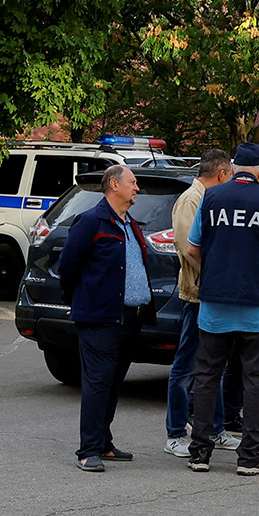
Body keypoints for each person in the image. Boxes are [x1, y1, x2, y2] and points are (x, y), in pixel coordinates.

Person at [181, 143, 259, 476]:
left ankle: (200, 452)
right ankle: (250, 457)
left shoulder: (211, 198)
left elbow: (192, 248)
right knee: (256, 381)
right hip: (257, 307)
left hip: (214, 304)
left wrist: (214, 270)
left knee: (206, 377)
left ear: (233, 168)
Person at [58, 164, 151, 471]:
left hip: (129, 318)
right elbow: (68, 266)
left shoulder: (130, 224)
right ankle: (88, 451)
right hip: (100, 318)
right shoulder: (91, 222)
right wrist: (75, 300)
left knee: (112, 383)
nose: (137, 188)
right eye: (133, 182)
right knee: (98, 383)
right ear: (114, 185)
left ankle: (104, 443)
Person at [166, 150, 241, 458]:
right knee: (185, 367)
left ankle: (216, 428)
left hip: (212, 294)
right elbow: (189, 249)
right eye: (232, 175)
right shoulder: (191, 200)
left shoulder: (210, 199)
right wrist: (217, 273)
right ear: (222, 174)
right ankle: (174, 433)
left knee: (215, 367)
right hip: (197, 295)